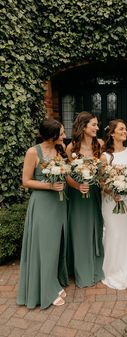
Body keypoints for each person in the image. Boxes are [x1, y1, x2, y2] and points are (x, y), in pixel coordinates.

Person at [17, 119, 68, 309]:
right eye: (61, 133)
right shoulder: (33, 152)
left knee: (55, 246)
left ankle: (53, 282)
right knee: (44, 247)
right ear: (53, 135)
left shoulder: (59, 149)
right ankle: (45, 290)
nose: (64, 136)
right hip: (42, 204)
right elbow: (26, 181)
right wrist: (49, 186)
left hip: (59, 204)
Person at [66, 111, 104, 287]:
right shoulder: (71, 148)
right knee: (80, 231)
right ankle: (81, 272)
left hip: (95, 193)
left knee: (95, 229)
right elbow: (66, 175)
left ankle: (96, 269)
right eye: (94, 125)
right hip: (77, 196)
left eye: (97, 125)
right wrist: (77, 186)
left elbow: (104, 173)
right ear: (84, 126)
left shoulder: (100, 145)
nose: (97, 128)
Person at [100, 119, 127, 290]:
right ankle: (113, 271)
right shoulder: (106, 156)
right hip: (111, 201)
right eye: (121, 129)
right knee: (112, 233)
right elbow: (101, 182)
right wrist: (112, 192)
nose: (125, 131)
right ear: (112, 133)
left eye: (126, 129)